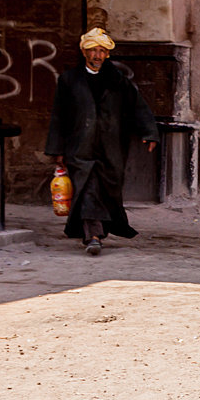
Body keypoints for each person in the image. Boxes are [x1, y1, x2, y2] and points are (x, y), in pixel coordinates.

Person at [45, 28, 159, 256]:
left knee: (108, 189)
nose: (97, 55)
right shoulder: (69, 80)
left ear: (107, 54)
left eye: (101, 51)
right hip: (80, 147)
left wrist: (149, 132)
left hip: (112, 147)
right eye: (93, 51)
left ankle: (99, 230)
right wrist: (57, 149)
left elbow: (137, 106)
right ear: (84, 52)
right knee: (88, 187)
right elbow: (59, 115)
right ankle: (93, 235)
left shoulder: (118, 81)